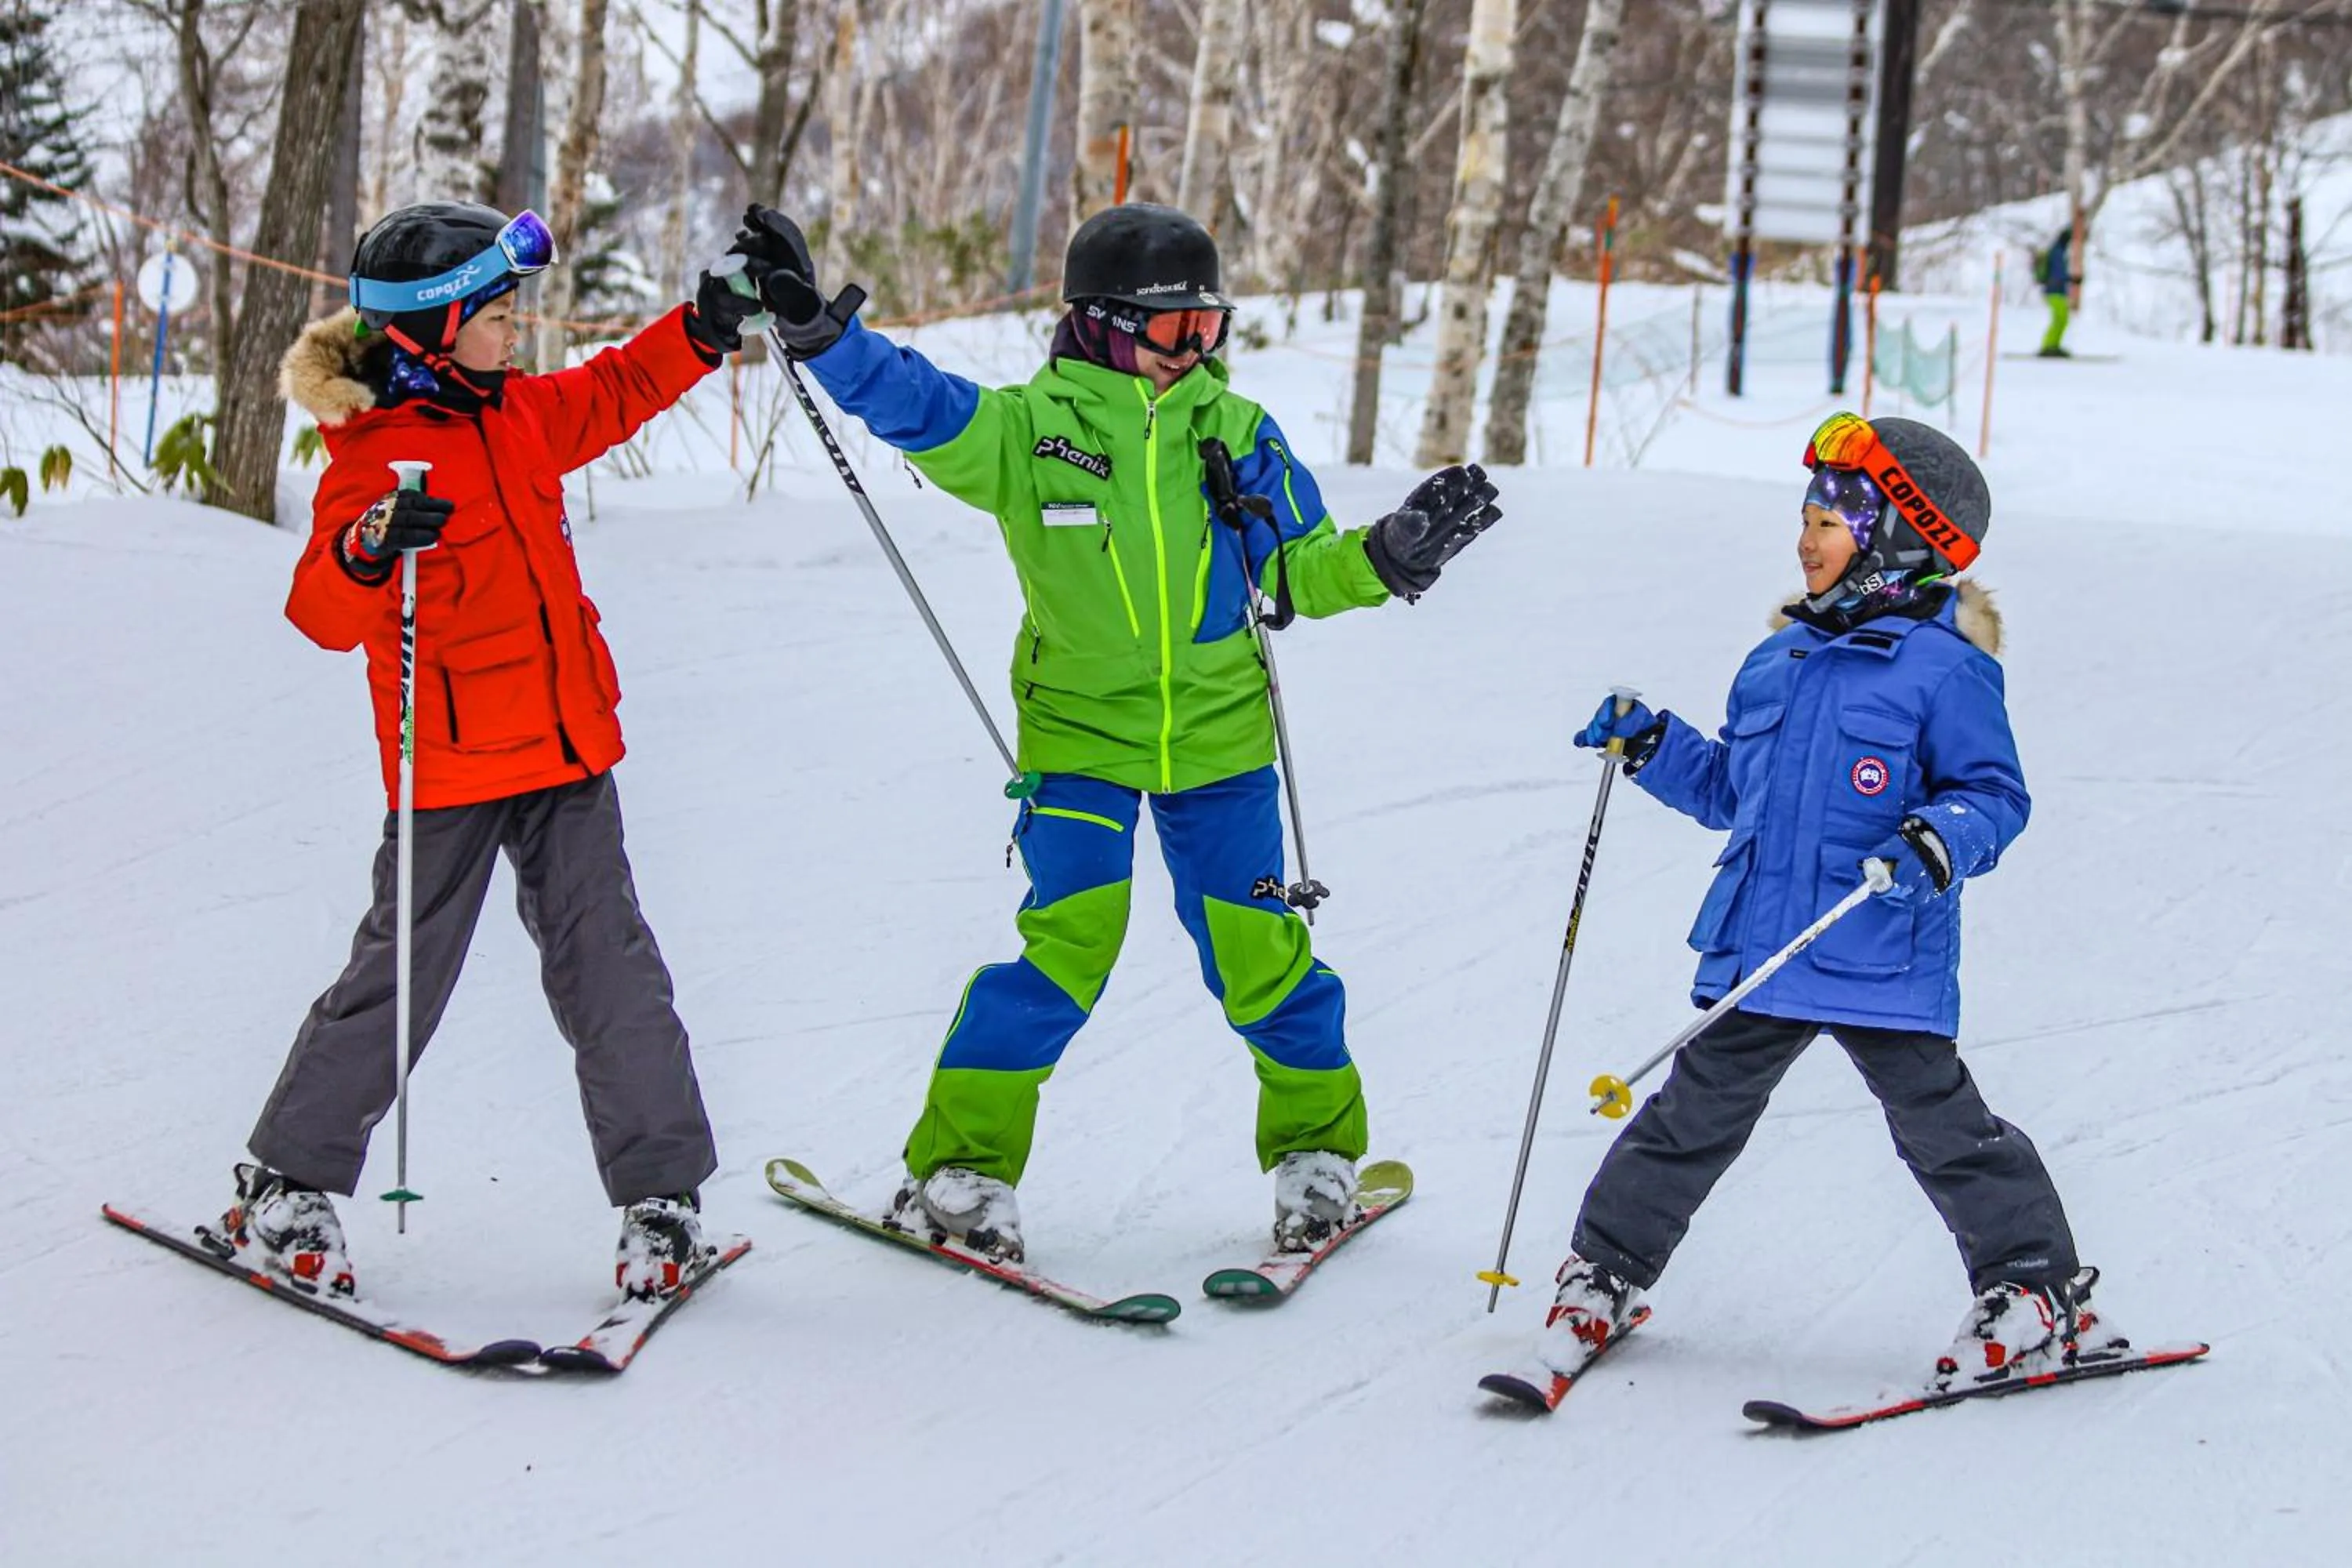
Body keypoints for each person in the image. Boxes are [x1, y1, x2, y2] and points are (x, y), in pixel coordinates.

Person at [731, 201, 1502, 1261]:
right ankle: (961, 1170)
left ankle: (1320, 1155)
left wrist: (1388, 557)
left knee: (1263, 960)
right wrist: (823, 335)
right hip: (1078, 740)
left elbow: (1300, 568)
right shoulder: (1028, 435)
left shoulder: (1238, 436)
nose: (1196, 353)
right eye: (1173, 330)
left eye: (1210, 330)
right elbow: (915, 403)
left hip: (1223, 746)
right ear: (1099, 323)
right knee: (1065, 955)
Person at [226, 200, 783, 1302]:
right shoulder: (375, 458)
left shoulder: (518, 415)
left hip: (570, 754)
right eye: (497, 313)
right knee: (402, 977)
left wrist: (709, 323)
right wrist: (370, 544)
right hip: (454, 768)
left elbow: (618, 390)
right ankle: (286, 1183)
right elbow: (321, 612)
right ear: (430, 332)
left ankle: (660, 1198)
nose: (518, 328)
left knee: (613, 972)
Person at [1527, 413, 2125, 1392]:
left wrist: (1938, 837)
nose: (1806, 538)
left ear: (1898, 538)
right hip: (1766, 948)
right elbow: (1733, 793)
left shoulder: (1947, 668)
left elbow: (1995, 795)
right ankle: (1604, 1275)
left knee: (1944, 1128)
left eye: (1832, 521)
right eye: (1804, 517)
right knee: (1688, 1117)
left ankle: (2036, 1290)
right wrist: (1653, 747)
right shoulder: (1779, 663)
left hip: (1876, 945)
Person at [2038, 223, 2078, 358]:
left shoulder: (2057, 250)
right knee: (2061, 318)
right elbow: (2058, 273)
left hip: (2056, 290)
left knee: (2061, 319)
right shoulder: (2057, 251)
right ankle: (2048, 345)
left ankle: (2053, 345)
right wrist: (2072, 279)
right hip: (2055, 290)